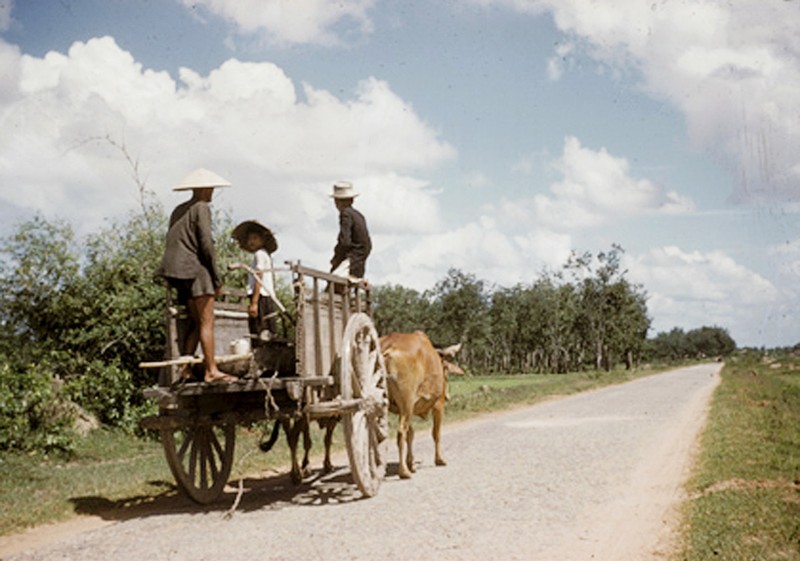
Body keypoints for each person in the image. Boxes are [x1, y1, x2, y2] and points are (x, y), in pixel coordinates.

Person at [157, 167, 236, 384]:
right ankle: (212, 371)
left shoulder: (179, 210)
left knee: (195, 321)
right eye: (210, 189)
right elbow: (206, 245)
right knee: (207, 321)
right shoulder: (201, 207)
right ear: (203, 189)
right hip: (195, 270)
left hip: (177, 272)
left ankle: (184, 369)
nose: (211, 193)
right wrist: (217, 278)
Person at [232, 220, 279, 342]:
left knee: (260, 331)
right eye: (249, 239)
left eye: (255, 238)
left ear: (262, 240)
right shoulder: (264, 255)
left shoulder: (259, 254)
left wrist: (254, 302)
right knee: (267, 332)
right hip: (265, 296)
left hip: (262, 296)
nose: (251, 241)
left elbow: (259, 277)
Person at [329, 181, 371, 281]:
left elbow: (345, 242)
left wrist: (336, 259)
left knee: (333, 280)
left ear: (338, 201)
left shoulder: (346, 214)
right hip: (359, 260)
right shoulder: (358, 215)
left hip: (353, 258)